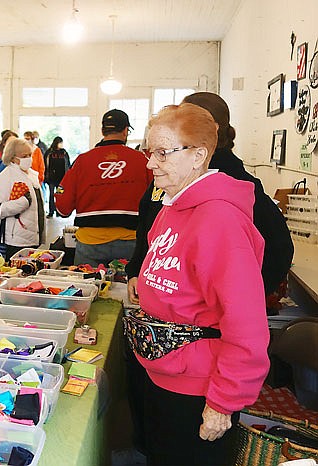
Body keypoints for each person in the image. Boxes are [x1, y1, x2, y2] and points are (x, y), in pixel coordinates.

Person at [123, 92, 294, 460]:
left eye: (163, 153)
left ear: (199, 155)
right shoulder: (172, 208)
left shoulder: (220, 220)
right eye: (148, 151)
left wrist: (223, 401)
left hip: (197, 388)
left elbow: (245, 326)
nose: (151, 163)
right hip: (162, 375)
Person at [55, 109, 152, 266]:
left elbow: (62, 205)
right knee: (129, 289)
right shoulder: (143, 161)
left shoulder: (82, 161)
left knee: (88, 288)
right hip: (132, 243)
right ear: (126, 131)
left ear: (102, 131)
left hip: (90, 243)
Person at [0, 137, 44, 261]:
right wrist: (22, 203)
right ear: (13, 157)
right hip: (15, 241)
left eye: (30, 155)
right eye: (25, 155)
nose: (29, 159)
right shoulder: (4, 178)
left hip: (33, 237)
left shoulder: (31, 174)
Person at [43, 136, 70, 218]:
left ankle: (59, 211)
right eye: (60, 143)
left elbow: (68, 164)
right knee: (51, 195)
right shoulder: (49, 152)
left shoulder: (64, 152)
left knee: (59, 195)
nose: (62, 144)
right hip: (51, 179)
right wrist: (46, 176)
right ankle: (51, 211)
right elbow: (45, 164)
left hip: (62, 179)